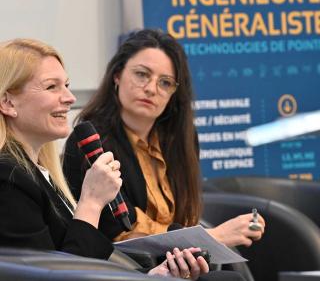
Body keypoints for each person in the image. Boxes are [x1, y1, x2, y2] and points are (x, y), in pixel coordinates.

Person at [0, 38, 211, 280]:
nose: (69, 97)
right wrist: (91, 202)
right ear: (7, 102)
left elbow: (80, 260)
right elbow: (56, 275)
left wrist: (153, 274)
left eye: (67, 85)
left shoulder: (38, 173)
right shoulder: (8, 179)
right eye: (52, 87)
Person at [62, 28, 265, 248]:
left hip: (180, 261)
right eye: (142, 74)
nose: (151, 89)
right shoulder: (91, 141)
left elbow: (187, 217)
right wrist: (212, 238)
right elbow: (120, 229)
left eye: (165, 82)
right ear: (117, 75)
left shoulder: (180, 140)